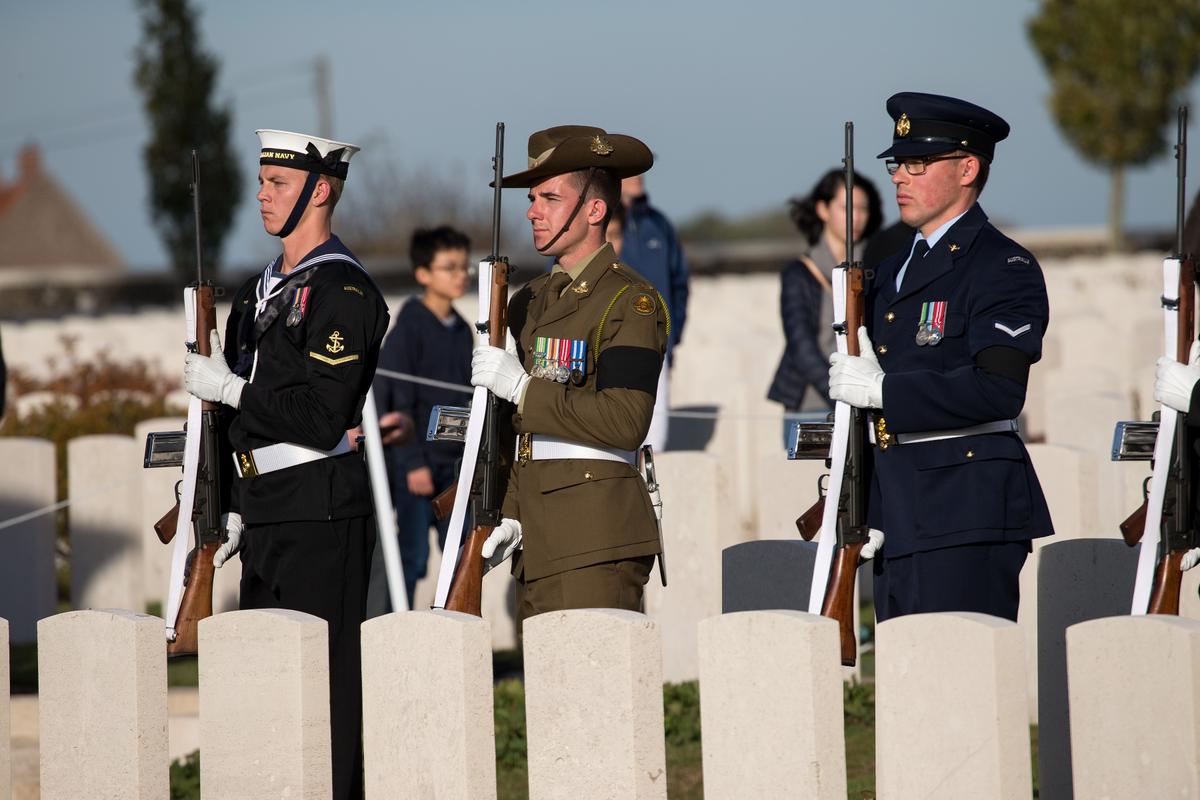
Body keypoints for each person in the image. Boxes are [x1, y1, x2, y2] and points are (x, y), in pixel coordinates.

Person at [183, 128, 389, 800]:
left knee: (324, 695)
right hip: (265, 508)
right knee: (269, 689)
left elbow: (322, 416)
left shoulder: (344, 293)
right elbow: (236, 421)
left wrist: (233, 389)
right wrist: (229, 505)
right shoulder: (253, 294)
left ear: (321, 190)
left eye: (279, 184)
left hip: (320, 505)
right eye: (263, 181)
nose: (262, 194)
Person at [827, 92, 1054, 622]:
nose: (899, 178)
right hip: (896, 501)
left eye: (917, 164)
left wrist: (883, 392)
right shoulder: (889, 266)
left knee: (959, 683)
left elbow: (998, 389)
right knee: (912, 685)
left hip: (963, 504)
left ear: (968, 168)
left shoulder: (1002, 266)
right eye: (897, 165)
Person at [469, 125, 669, 619]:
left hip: (595, 532)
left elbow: (625, 419)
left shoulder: (629, 301)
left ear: (595, 210)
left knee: (591, 691)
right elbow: (520, 434)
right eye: (533, 198)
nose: (532, 210)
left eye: (550, 197)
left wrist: (521, 386)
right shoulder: (527, 302)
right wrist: (509, 512)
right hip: (537, 531)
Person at [367, 226, 473, 612]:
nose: (461, 275)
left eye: (464, 266)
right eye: (449, 267)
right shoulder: (407, 329)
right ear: (424, 274)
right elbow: (392, 403)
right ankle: (400, 642)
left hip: (454, 470)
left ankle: (450, 638)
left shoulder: (463, 331)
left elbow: (466, 400)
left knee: (460, 557)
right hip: (414, 472)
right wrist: (412, 463)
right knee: (409, 562)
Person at [768, 168, 883, 436]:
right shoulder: (799, 272)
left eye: (863, 208)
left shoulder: (880, 266)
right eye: (847, 207)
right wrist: (842, 392)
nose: (856, 217)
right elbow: (801, 344)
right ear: (823, 209)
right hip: (813, 403)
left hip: (868, 399)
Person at [619, 173, 689, 453]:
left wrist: (672, 338)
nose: (640, 176)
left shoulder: (659, 225)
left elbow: (680, 284)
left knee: (654, 449)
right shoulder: (588, 222)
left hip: (656, 355)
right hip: (610, 356)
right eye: (631, 168)